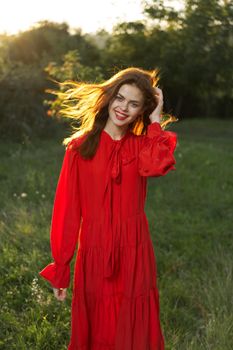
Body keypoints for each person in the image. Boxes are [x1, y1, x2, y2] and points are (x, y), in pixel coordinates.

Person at [39, 67, 178, 350]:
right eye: (120, 98)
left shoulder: (142, 147)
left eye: (134, 103)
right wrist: (62, 265)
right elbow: (66, 211)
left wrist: (156, 120)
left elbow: (157, 165)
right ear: (109, 97)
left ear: (142, 110)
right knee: (99, 328)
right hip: (95, 249)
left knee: (133, 323)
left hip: (134, 249)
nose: (124, 108)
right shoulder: (79, 149)